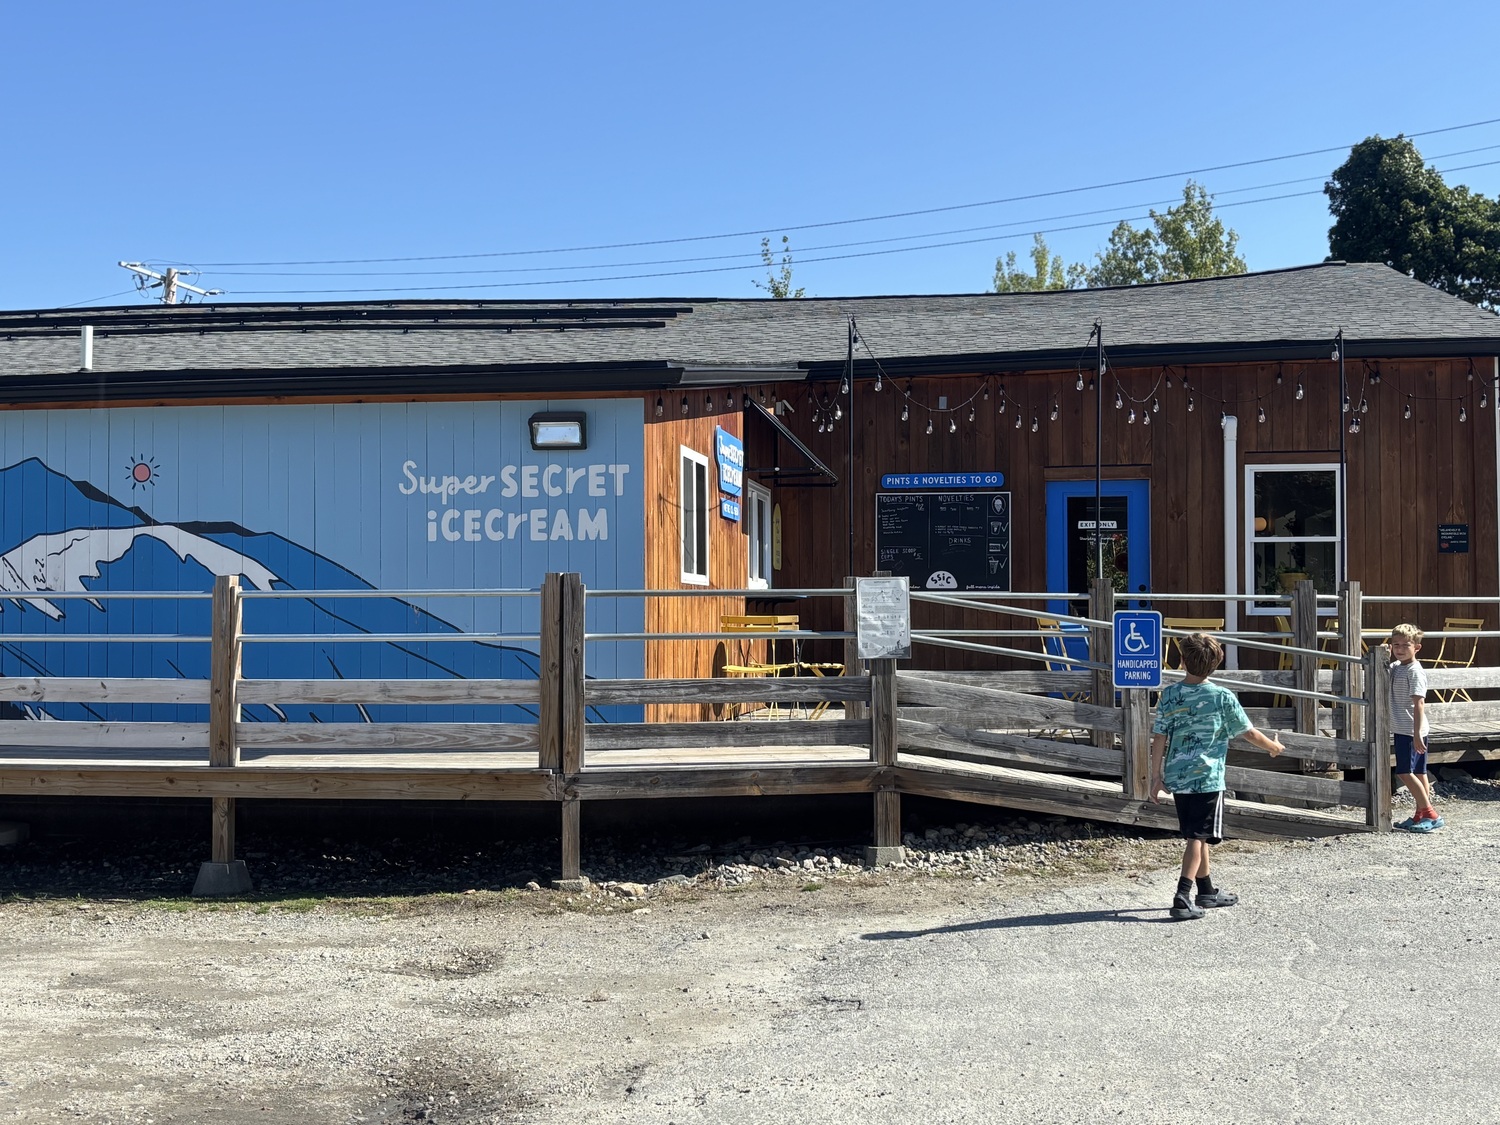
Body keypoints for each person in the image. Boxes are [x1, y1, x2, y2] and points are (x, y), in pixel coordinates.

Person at [1149, 632, 1285, 921]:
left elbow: (1159, 735)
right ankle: (1182, 896)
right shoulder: (1223, 697)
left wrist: (1155, 775)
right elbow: (1248, 732)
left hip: (1178, 775)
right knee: (1197, 838)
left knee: (1197, 832)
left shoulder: (1169, 695)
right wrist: (1273, 747)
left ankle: (1206, 891)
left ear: (1182, 661)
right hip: (1207, 778)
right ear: (1217, 663)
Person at [1388, 624, 1441, 832]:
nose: (1399, 649)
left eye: (1405, 645)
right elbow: (1384, 665)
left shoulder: (1414, 671)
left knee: (1404, 772)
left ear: (1417, 647)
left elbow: (1419, 703)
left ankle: (1430, 813)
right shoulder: (1397, 667)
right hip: (1405, 728)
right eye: (1395, 645)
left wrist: (1417, 733)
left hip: (1410, 729)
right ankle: (1420, 814)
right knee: (1419, 772)